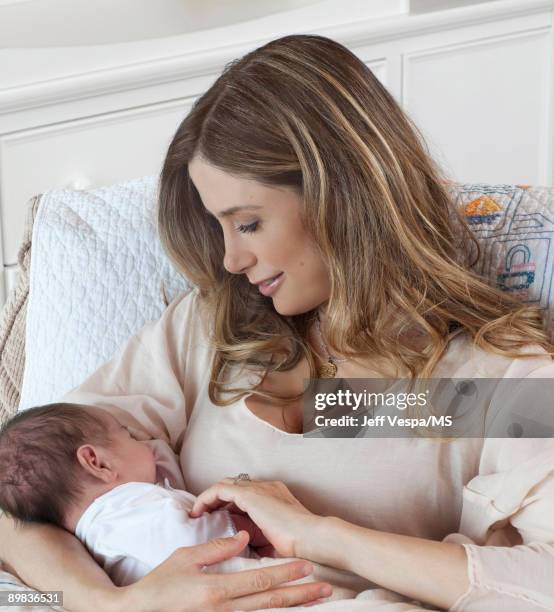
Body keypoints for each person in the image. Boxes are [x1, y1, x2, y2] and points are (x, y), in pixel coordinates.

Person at [1, 33, 554, 612]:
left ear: (339, 193)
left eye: (248, 224)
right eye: (220, 226)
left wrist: (323, 534)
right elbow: (19, 498)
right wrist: (111, 604)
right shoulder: (214, 326)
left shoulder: (491, 377)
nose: (229, 261)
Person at [0, 403, 366, 601]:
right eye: (129, 435)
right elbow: (184, 539)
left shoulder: (96, 527)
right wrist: (243, 529)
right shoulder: (125, 506)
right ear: (97, 462)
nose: (146, 443)